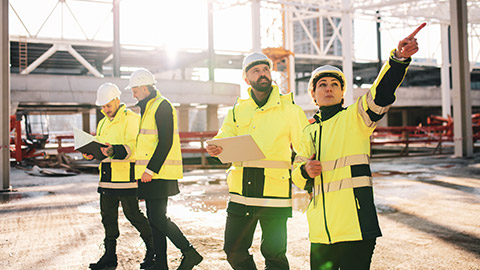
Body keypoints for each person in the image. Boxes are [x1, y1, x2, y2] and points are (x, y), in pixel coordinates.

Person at [291, 23, 427, 270]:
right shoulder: (308, 130)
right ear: (313, 94)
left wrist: (397, 60)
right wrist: (304, 172)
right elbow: (296, 174)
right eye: (322, 85)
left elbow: (381, 93)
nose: (328, 88)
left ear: (343, 92)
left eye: (334, 84)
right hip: (321, 233)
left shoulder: (356, 118)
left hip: (356, 227)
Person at [206, 52, 309, 269]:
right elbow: (225, 135)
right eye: (256, 71)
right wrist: (216, 146)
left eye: (265, 70)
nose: (262, 74)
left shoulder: (290, 109)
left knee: (274, 254)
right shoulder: (237, 110)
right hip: (241, 191)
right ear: (246, 79)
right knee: (233, 250)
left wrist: (307, 177)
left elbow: (305, 150)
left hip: (274, 190)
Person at [125, 68, 203, 270]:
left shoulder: (162, 106)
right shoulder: (149, 107)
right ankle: (160, 264)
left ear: (144, 87)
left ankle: (190, 253)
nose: (132, 94)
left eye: (134, 90)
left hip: (158, 174)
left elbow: (165, 141)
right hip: (150, 174)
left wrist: (150, 170)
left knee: (158, 218)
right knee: (155, 220)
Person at [87, 82, 154, 270]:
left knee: (133, 215)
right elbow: (102, 147)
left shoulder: (131, 119)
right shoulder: (102, 123)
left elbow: (134, 148)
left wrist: (113, 150)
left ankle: (153, 249)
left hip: (126, 178)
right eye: (103, 106)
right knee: (107, 217)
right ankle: (110, 256)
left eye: (108, 105)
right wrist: (92, 152)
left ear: (117, 100)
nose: (105, 109)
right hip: (107, 178)